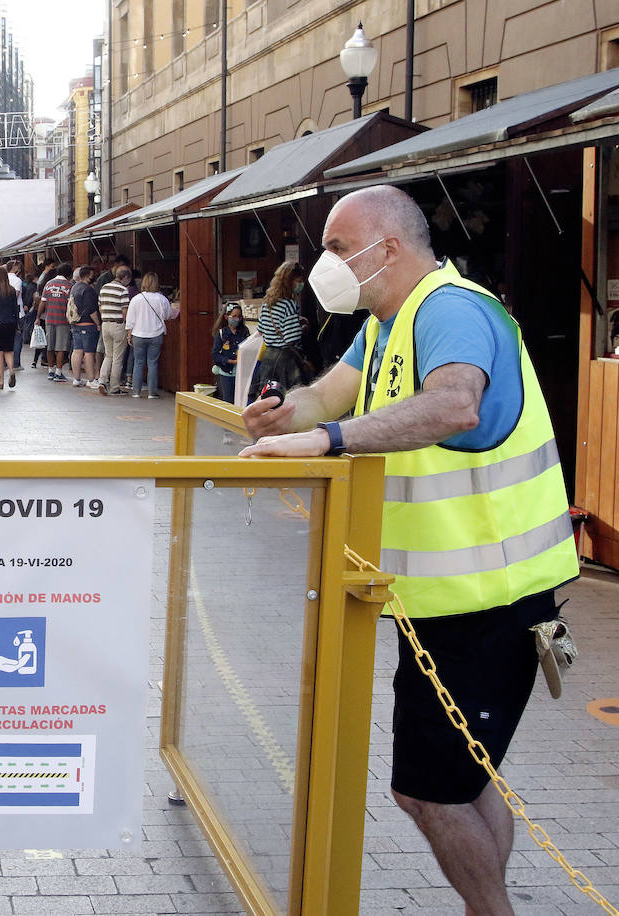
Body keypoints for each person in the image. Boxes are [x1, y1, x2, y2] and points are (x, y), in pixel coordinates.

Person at [240, 185, 578, 916]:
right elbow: (329, 396)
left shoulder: (452, 309)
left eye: (335, 247)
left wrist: (325, 440)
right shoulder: (388, 324)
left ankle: (492, 912)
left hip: (489, 601)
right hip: (441, 601)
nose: (324, 263)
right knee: (464, 779)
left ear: (385, 248)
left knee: (427, 792)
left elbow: (455, 402)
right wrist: (278, 416)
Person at [250, 260, 311, 399]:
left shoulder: (267, 303)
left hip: (268, 358)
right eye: (299, 281)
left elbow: (261, 329)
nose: (301, 284)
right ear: (289, 282)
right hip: (285, 361)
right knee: (290, 398)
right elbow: (291, 337)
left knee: (268, 398)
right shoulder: (289, 304)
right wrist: (303, 328)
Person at [125, 272, 178, 399]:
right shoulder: (162, 299)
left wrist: (129, 334)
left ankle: (136, 391)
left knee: (138, 363)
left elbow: (130, 319)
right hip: (156, 334)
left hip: (138, 333)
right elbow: (168, 315)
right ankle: (151, 392)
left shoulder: (136, 299)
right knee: (152, 363)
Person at [96, 267, 133, 396]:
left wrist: (105, 317)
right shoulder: (123, 290)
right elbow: (125, 312)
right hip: (118, 325)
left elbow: (100, 306)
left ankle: (102, 381)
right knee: (117, 358)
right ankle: (114, 387)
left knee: (108, 355)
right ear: (126, 278)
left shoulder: (104, 287)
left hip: (105, 324)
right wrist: (129, 328)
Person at [39, 264, 74, 381]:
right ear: (69, 274)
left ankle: (50, 371)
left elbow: (42, 302)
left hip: (49, 319)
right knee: (60, 347)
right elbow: (70, 305)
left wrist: (38, 317)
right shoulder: (69, 286)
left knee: (50, 346)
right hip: (63, 320)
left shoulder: (48, 284)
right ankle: (58, 373)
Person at [69, 266, 101, 387]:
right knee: (89, 352)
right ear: (88, 276)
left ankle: (76, 379)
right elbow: (91, 309)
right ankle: (91, 380)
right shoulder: (88, 290)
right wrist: (98, 323)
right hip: (88, 324)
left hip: (75, 323)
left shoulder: (74, 287)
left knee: (77, 351)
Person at [211, 302, 250, 402]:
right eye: (234, 316)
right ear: (226, 316)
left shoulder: (244, 332)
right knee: (228, 401)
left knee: (241, 400)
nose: (236, 319)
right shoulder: (221, 334)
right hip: (226, 373)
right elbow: (215, 355)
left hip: (242, 373)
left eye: (239, 316)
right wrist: (229, 361)